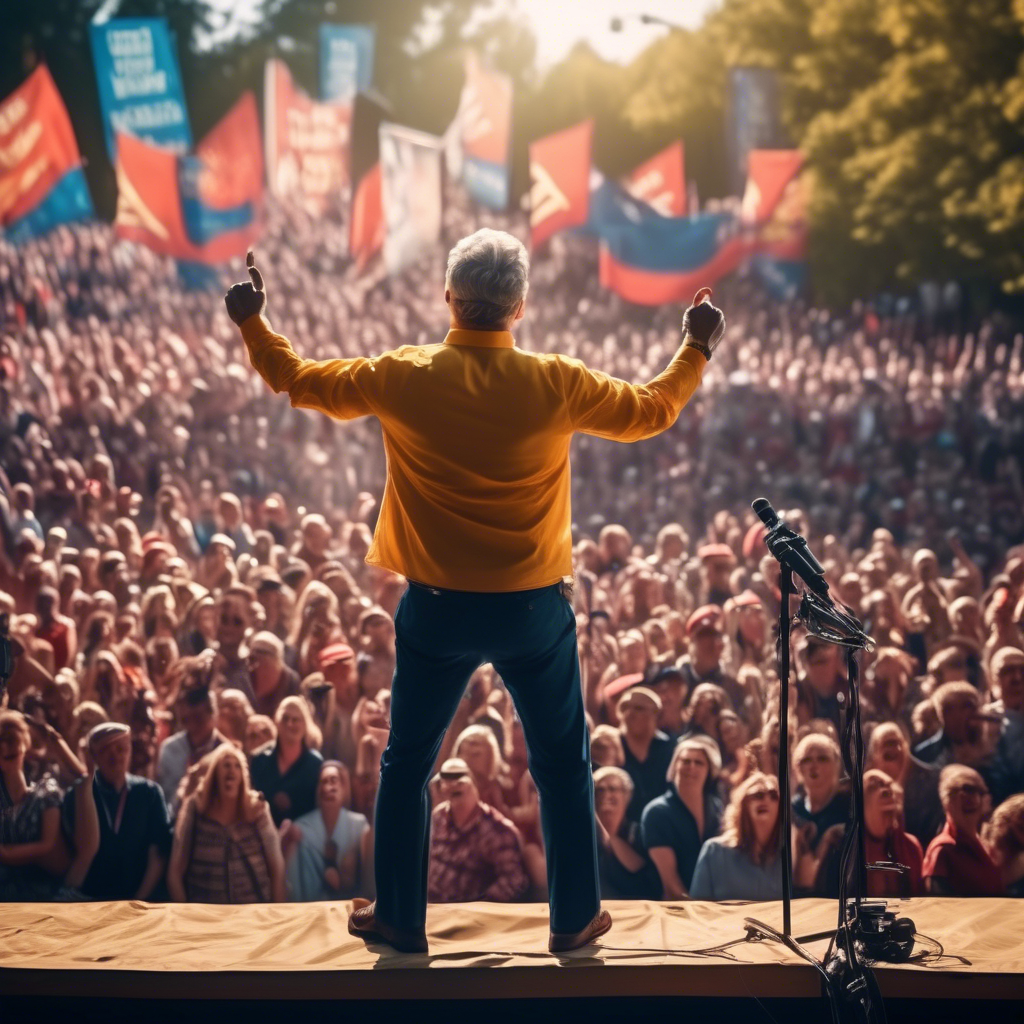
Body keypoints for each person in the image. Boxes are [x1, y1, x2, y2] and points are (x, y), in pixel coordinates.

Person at [225, 237, 724, 952]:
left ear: (448, 298)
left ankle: (401, 918)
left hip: (438, 609)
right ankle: (574, 919)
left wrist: (253, 322)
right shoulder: (555, 381)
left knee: (406, 765)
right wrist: (695, 346)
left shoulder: (405, 374)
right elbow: (652, 410)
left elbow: (298, 380)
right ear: (520, 307)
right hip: (532, 612)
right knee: (563, 766)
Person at [60, 722, 173, 901]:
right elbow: (72, 851)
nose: (115, 756)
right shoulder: (79, 793)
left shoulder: (149, 792)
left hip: (137, 899)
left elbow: (158, 854)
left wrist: (138, 900)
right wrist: (87, 777)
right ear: (93, 756)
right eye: (105, 750)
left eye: (121, 748)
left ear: (130, 750)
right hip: (88, 899)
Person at [167, 744, 285, 903]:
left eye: (237, 766)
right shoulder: (195, 807)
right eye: (226, 765)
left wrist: (276, 911)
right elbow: (175, 872)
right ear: (214, 773)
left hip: (253, 909)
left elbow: (277, 869)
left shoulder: (257, 808)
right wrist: (185, 912)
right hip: (206, 911)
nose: (231, 770)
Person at [425, 757, 529, 907]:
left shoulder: (497, 830)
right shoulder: (438, 816)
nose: (451, 787)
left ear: (473, 784)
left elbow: (515, 880)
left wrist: (480, 905)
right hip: (427, 905)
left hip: (462, 910)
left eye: (459, 782)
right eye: (445, 781)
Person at [641, 734, 724, 899]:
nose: (691, 767)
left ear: (709, 770)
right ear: (675, 766)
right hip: (672, 907)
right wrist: (697, 909)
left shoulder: (716, 807)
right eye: (685, 761)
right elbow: (671, 885)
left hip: (715, 905)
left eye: (699, 762)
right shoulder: (657, 812)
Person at [0, 710, 71, 900]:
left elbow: (47, 845)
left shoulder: (45, 794)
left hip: (46, 890)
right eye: (1, 740)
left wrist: (6, 854)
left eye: (10, 739)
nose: (5, 747)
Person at [284, 760, 372, 901]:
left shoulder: (359, 825)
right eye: (323, 782)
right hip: (311, 908)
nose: (327, 787)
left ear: (344, 787)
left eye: (333, 780)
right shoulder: (301, 828)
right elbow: (293, 882)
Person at [690, 771, 785, 901]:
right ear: (742, 804)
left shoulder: (788, 854)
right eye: (758, 795)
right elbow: (698, 906)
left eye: (774, 796)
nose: (766, 800)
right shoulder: (715, 851)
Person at [922, 764, 1003, 896]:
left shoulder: (988, 845)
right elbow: (937, 902)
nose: (973, 799)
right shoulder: (943, 849)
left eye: (980, 792)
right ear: (946, 798)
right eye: (967, 790)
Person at [248, 695, 324, 826]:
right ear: (276, 722)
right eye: (285, 718)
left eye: (296, 720)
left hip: (304, 833)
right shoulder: (259, 759)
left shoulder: (315, 764)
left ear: (305, 725)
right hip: (263, 831)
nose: (290, 724)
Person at [156, 681, 228, 814]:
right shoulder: (170, 749)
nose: (193, 726)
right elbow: (164, 800)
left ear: (212, 714)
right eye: (186, 719)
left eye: (198, 718)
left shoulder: (227, 752)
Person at [593, 765, 659, 899]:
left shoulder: (638, 833)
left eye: (613, 789)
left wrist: (611, 837)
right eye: (600, 790)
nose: (606, 795)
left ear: (626, 795)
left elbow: (641, 875)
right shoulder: (585, 836)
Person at [617, 685, 676, 824]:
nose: (630, 713)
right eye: (625, 708)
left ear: (657, 714)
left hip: (661, 823)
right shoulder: (611, 745)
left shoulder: (671, 748)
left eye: (639, 708)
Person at [862, 769, 923, 897]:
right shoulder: (843, 846)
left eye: (888, 787)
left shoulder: (910, 847)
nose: (886, 791)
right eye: (874, 787)